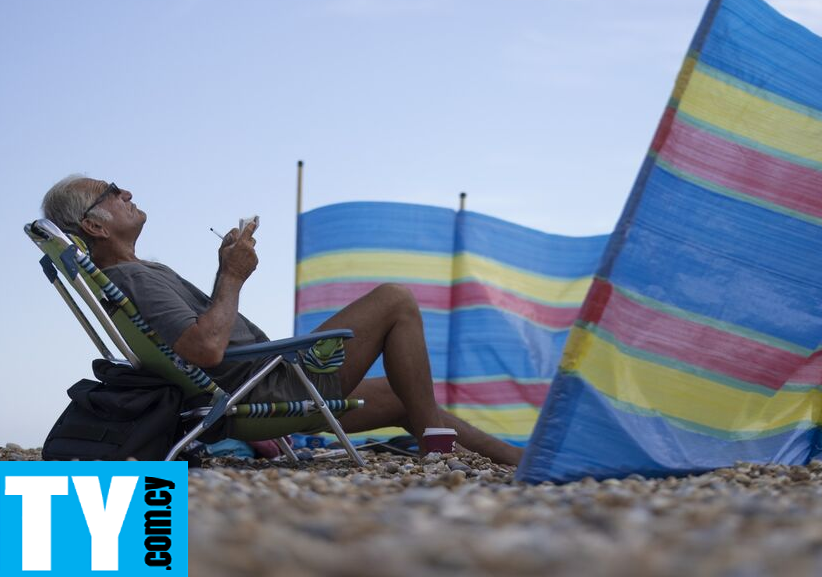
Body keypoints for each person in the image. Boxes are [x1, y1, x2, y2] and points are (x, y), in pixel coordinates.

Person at [41, 175, 523, 465]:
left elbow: (201, 340)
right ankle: (437, 461)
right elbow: (205, 349)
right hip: (272, 386)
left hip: (257, 382)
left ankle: (519, 463)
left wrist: (222, 270)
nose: (125, 191)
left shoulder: (133, 275)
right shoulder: (133, 278)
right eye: (109, 191)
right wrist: (233, 275)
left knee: (406, 396)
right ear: (95, 226)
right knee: (395, 299)